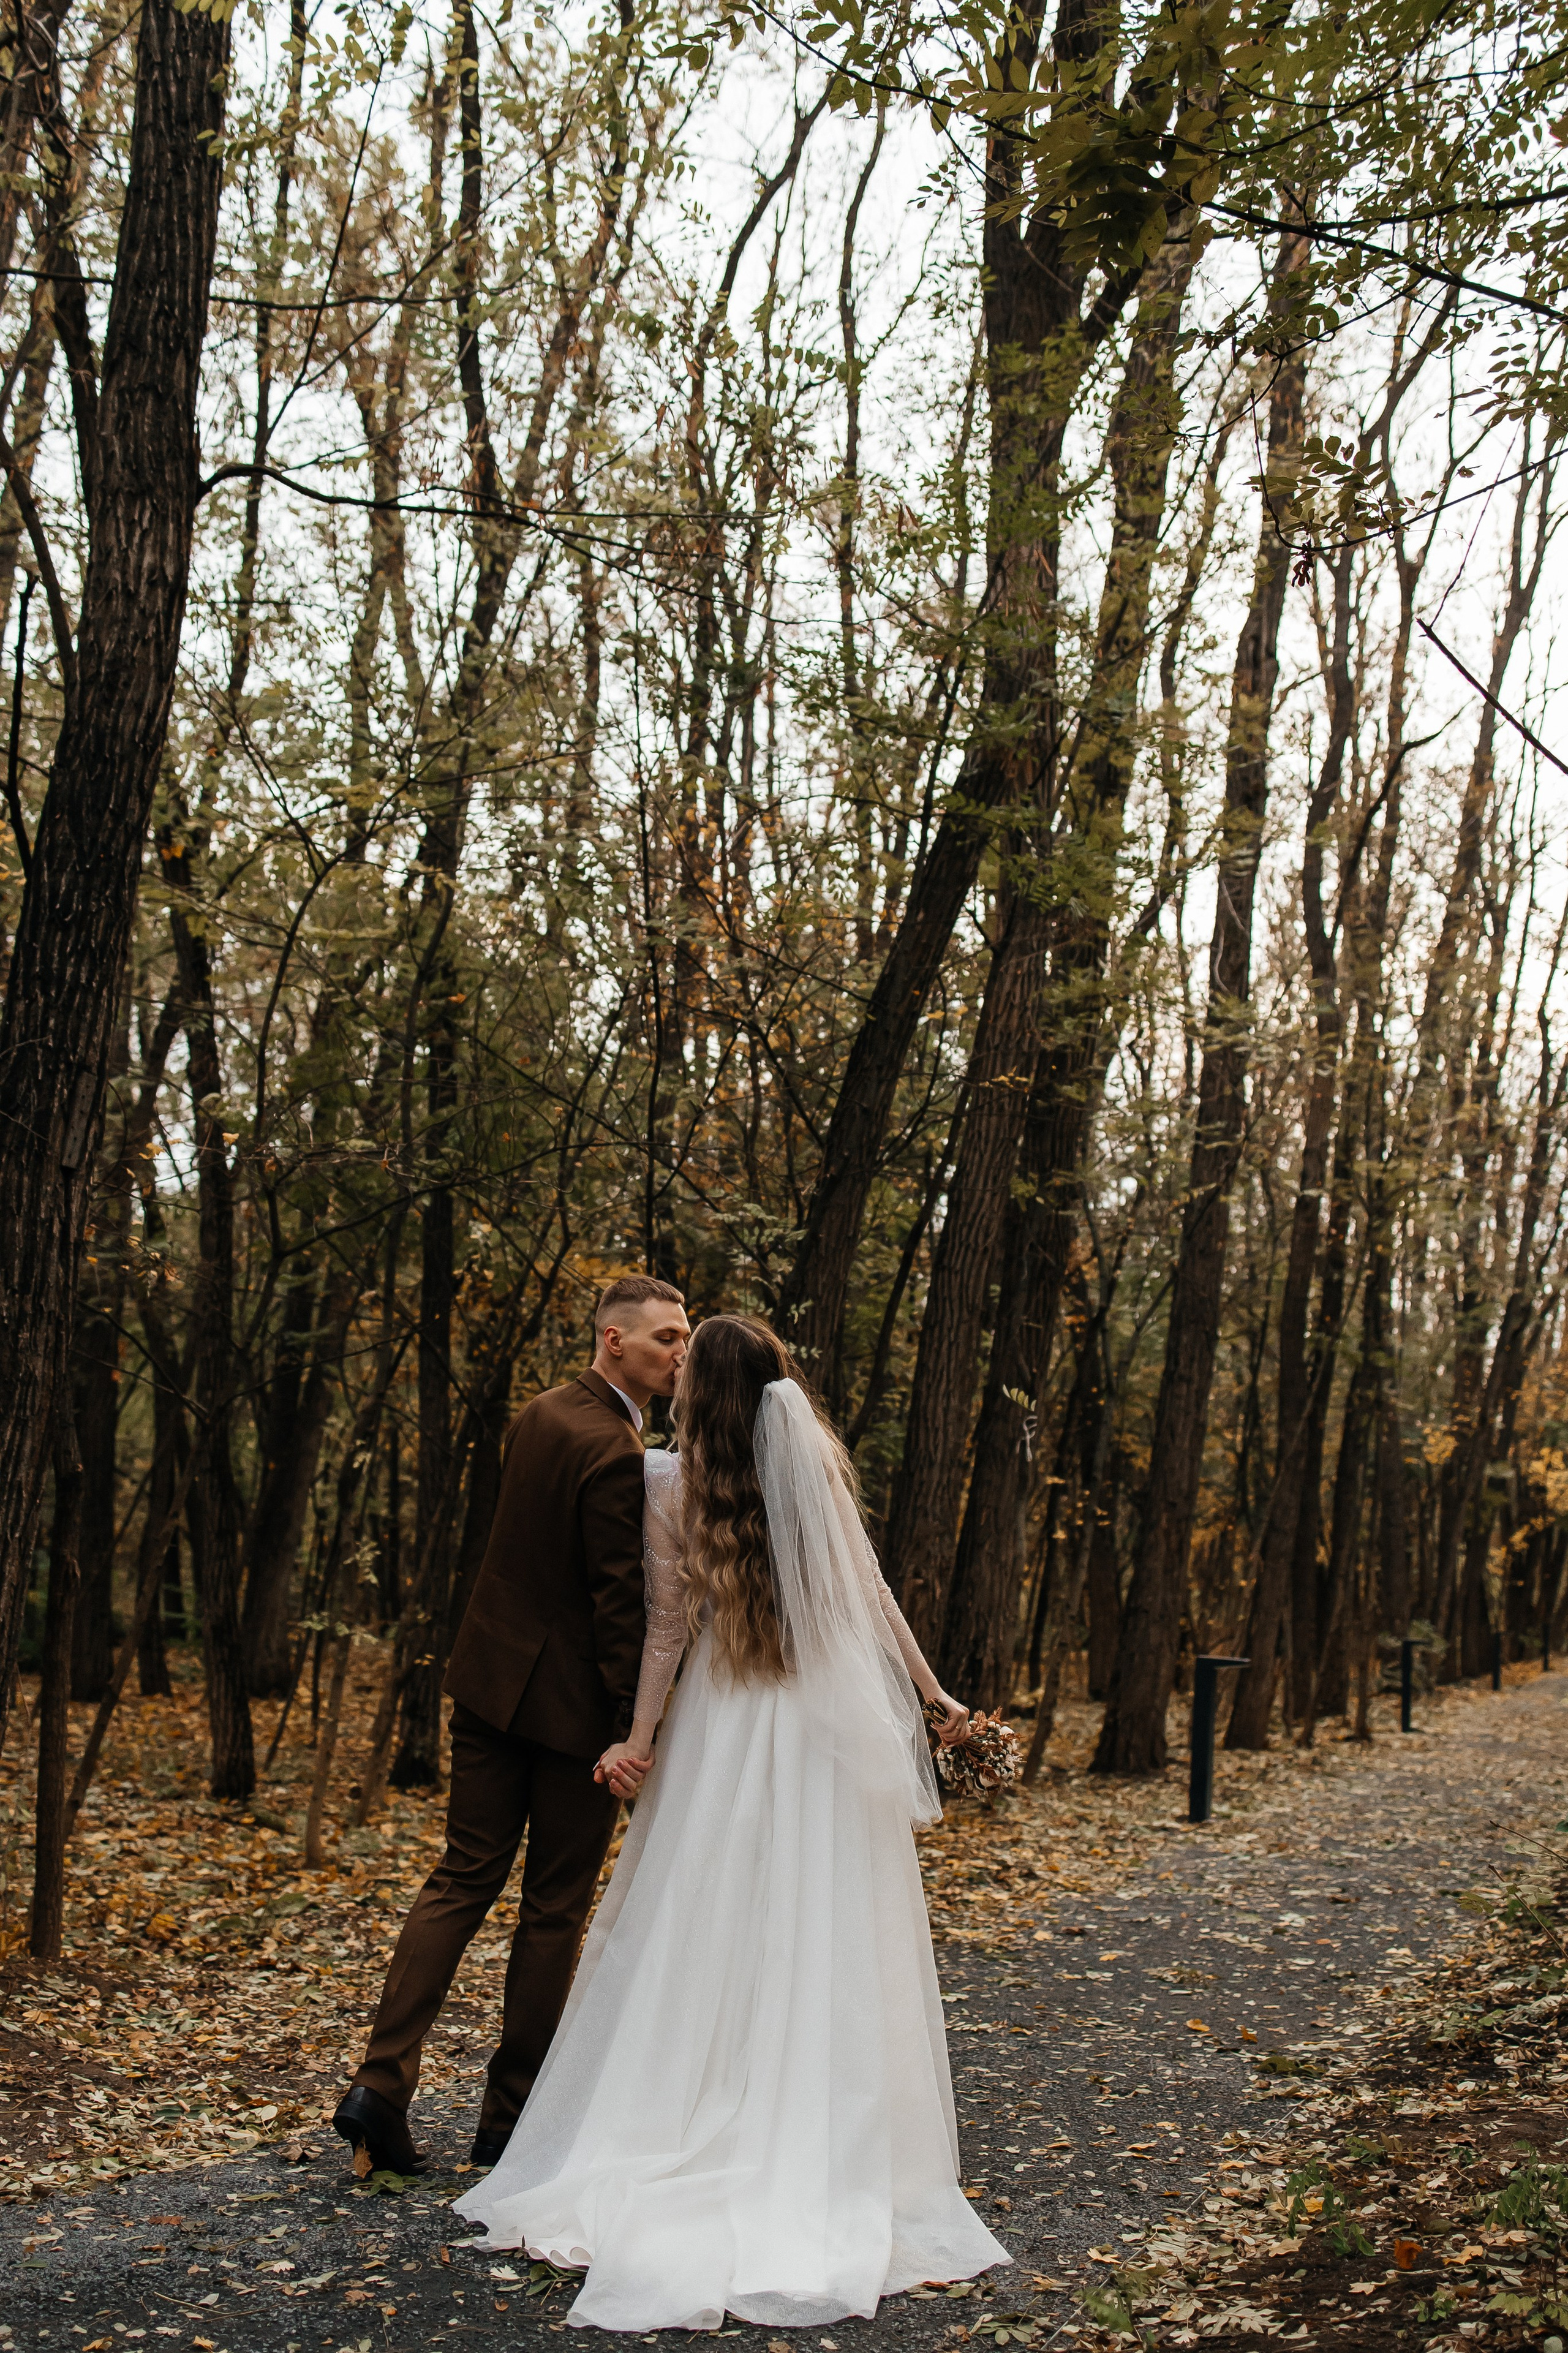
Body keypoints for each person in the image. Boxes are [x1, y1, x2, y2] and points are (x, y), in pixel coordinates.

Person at [453, 1313, 1011, 2330]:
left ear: (697, 1392)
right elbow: (872, 1595)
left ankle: (693, 2104)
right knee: (819, 1912)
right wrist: (937, 1701)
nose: (668, 1373)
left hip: (727, 1712)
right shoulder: (813, 1470)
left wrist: (639, 1738)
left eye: (683, 1362)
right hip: (820, 1723)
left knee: (702, 1911)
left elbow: (668, 1625)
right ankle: (810, 2125)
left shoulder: (667, 1480)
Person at [332, 1275, 691, 2177]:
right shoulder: (614, 1446)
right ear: (613, 1340)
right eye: (665, 1337)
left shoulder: (540, 1414)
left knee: (460, 1878)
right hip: (571, 1718)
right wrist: (631, 1726)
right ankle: (509, 2120)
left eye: (684, 1336)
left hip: (488, 1685)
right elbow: (621, 1604)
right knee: (552, 1911)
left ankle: (380, 2084)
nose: (680, 1351)